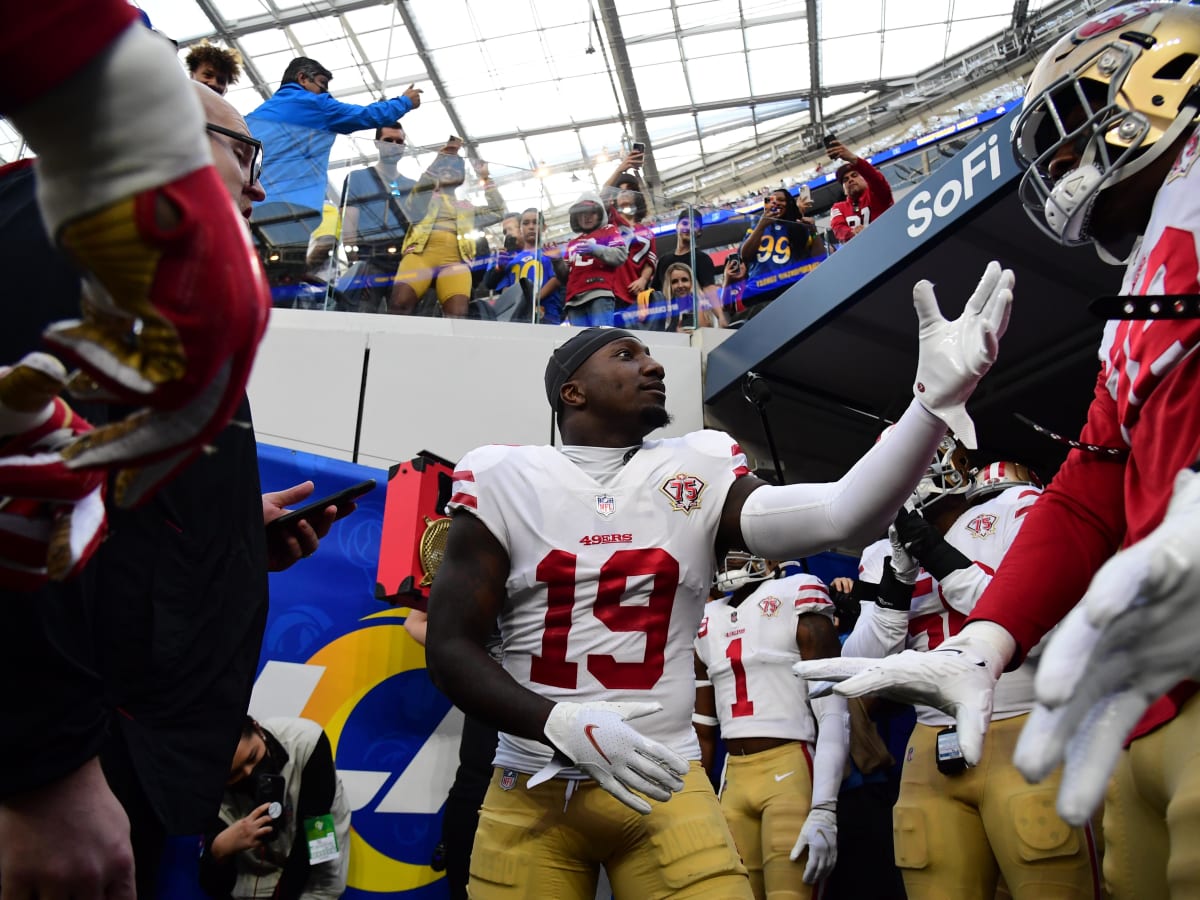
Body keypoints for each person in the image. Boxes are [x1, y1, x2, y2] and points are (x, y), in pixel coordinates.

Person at [423, 260, 1014, 899]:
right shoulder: (504, 476)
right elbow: (451, 646)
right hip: (533, 782)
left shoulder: (695, 467)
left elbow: (843, 513)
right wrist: (556, 722)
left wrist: (928, 405)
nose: (652, 365)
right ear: (573, 391)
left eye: (652, 354)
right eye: (626, 354)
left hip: (667, 778)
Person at [794, 8, 1200, 895]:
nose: (1058, 162)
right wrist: (982, 641)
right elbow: (1093, 484)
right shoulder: (1147, 271)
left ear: (1162, 83)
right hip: (1140, 702)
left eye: (1071, 124)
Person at [0, 83, 349, 900]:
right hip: (78, 760)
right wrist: (44, 776)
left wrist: (230, 536)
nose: (259, 187)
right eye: (244, 152)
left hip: (133, 755)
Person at [839, 448, 1100, 899]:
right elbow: (862, 665)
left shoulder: (1017, 507)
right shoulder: (883, 551)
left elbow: (1052, 628)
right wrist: (894, 594)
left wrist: (943, 560)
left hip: (1022, 719)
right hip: (929, 746)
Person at [693, 554, 848, 899]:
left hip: (790, 770)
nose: (725, 560)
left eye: (735, 547)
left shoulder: (797, 593)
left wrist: (825, 808)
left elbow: (834, 714)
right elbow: (701, 731)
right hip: (733, 780)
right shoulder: (705, 619)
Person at [199, 716, 350, 900]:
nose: (249, 773)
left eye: (253, 756)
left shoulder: (307, 742)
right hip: (256, 877)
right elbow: (213, 885)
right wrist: (219, 849)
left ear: (258, 728)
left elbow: (314, 842)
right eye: (235, 774)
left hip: (315, 870)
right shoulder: (211, 784)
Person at [246, 57, 422, 215]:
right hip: (296, 207)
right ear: (302, 78)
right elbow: (366, 115)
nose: (326, 92)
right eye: (322, 83)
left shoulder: (255, 116)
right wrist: (404, 102)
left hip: (251, 204)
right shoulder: (317, 104)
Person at [388, 140, 505, 319]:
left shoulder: (466, 207)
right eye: (444, 167)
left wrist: (486, 178)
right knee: (399, 305)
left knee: (457, 316)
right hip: (420, 256)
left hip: (455, 262)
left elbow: (497, 211)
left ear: (462, 177)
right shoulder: (425, 197)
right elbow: (415, 203)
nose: (449, 169)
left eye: (455, 168)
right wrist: (438, 160)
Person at [334, 122, 416, 313]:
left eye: (399, 141)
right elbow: (349, 221)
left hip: (404, 262)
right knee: (362, 315)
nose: (394, 145)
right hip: (369, 259)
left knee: (402, 319)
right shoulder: (358, 178)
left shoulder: (412, 186)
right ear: (377, 143)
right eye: (388, 140)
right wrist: (354, 259)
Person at [737, 188, 825, 318]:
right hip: (759, 293)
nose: (776, 203)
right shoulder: (757, 227)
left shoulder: (799, 228)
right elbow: (745, 256)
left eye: (781, 200)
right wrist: (761, 226)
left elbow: (819, 259)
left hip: (791, 291)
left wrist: (813, 231)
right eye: (771, 200)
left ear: (789, 204)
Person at [482, 207, 564, 324]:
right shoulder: (505, 258)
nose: (508, 235)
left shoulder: (548, 253)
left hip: (547, 315)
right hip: (519, 319)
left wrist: (534, 299)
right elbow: (495, 284)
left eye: (511, 229)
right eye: (505, 232)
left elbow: (558, 278)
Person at [561, 193, 630, 327]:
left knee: (601, 339)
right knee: (582, 343)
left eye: (591, 212)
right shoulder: (572, 243)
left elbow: (620, 255)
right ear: (576, 217)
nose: (586, 217)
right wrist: (556, 261)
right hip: (573, 299)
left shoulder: (609, 230)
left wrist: (595, 249)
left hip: (599, 292)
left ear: (600, 214)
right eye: (581, 213)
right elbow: (564, 277)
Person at [654, 210, 725, 327]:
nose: (688, 228)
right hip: (669, 322)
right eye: (685, 223)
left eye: (694, 225)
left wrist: (720, 317)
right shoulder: (663, 261)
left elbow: (709, 289)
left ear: (699, 232)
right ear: (677, 226)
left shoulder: (702, 259)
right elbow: (656, 293)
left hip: (697, 318)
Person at [827, 140, 894, 244]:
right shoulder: (838, 208)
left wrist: (854, 159)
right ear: (844, 190)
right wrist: (853, 232)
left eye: (854, 175)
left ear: (865, 179)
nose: (850, 180)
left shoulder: (876, 195)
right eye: (845, 180)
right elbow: (838, 229)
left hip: (888, 243)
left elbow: (877, 180)